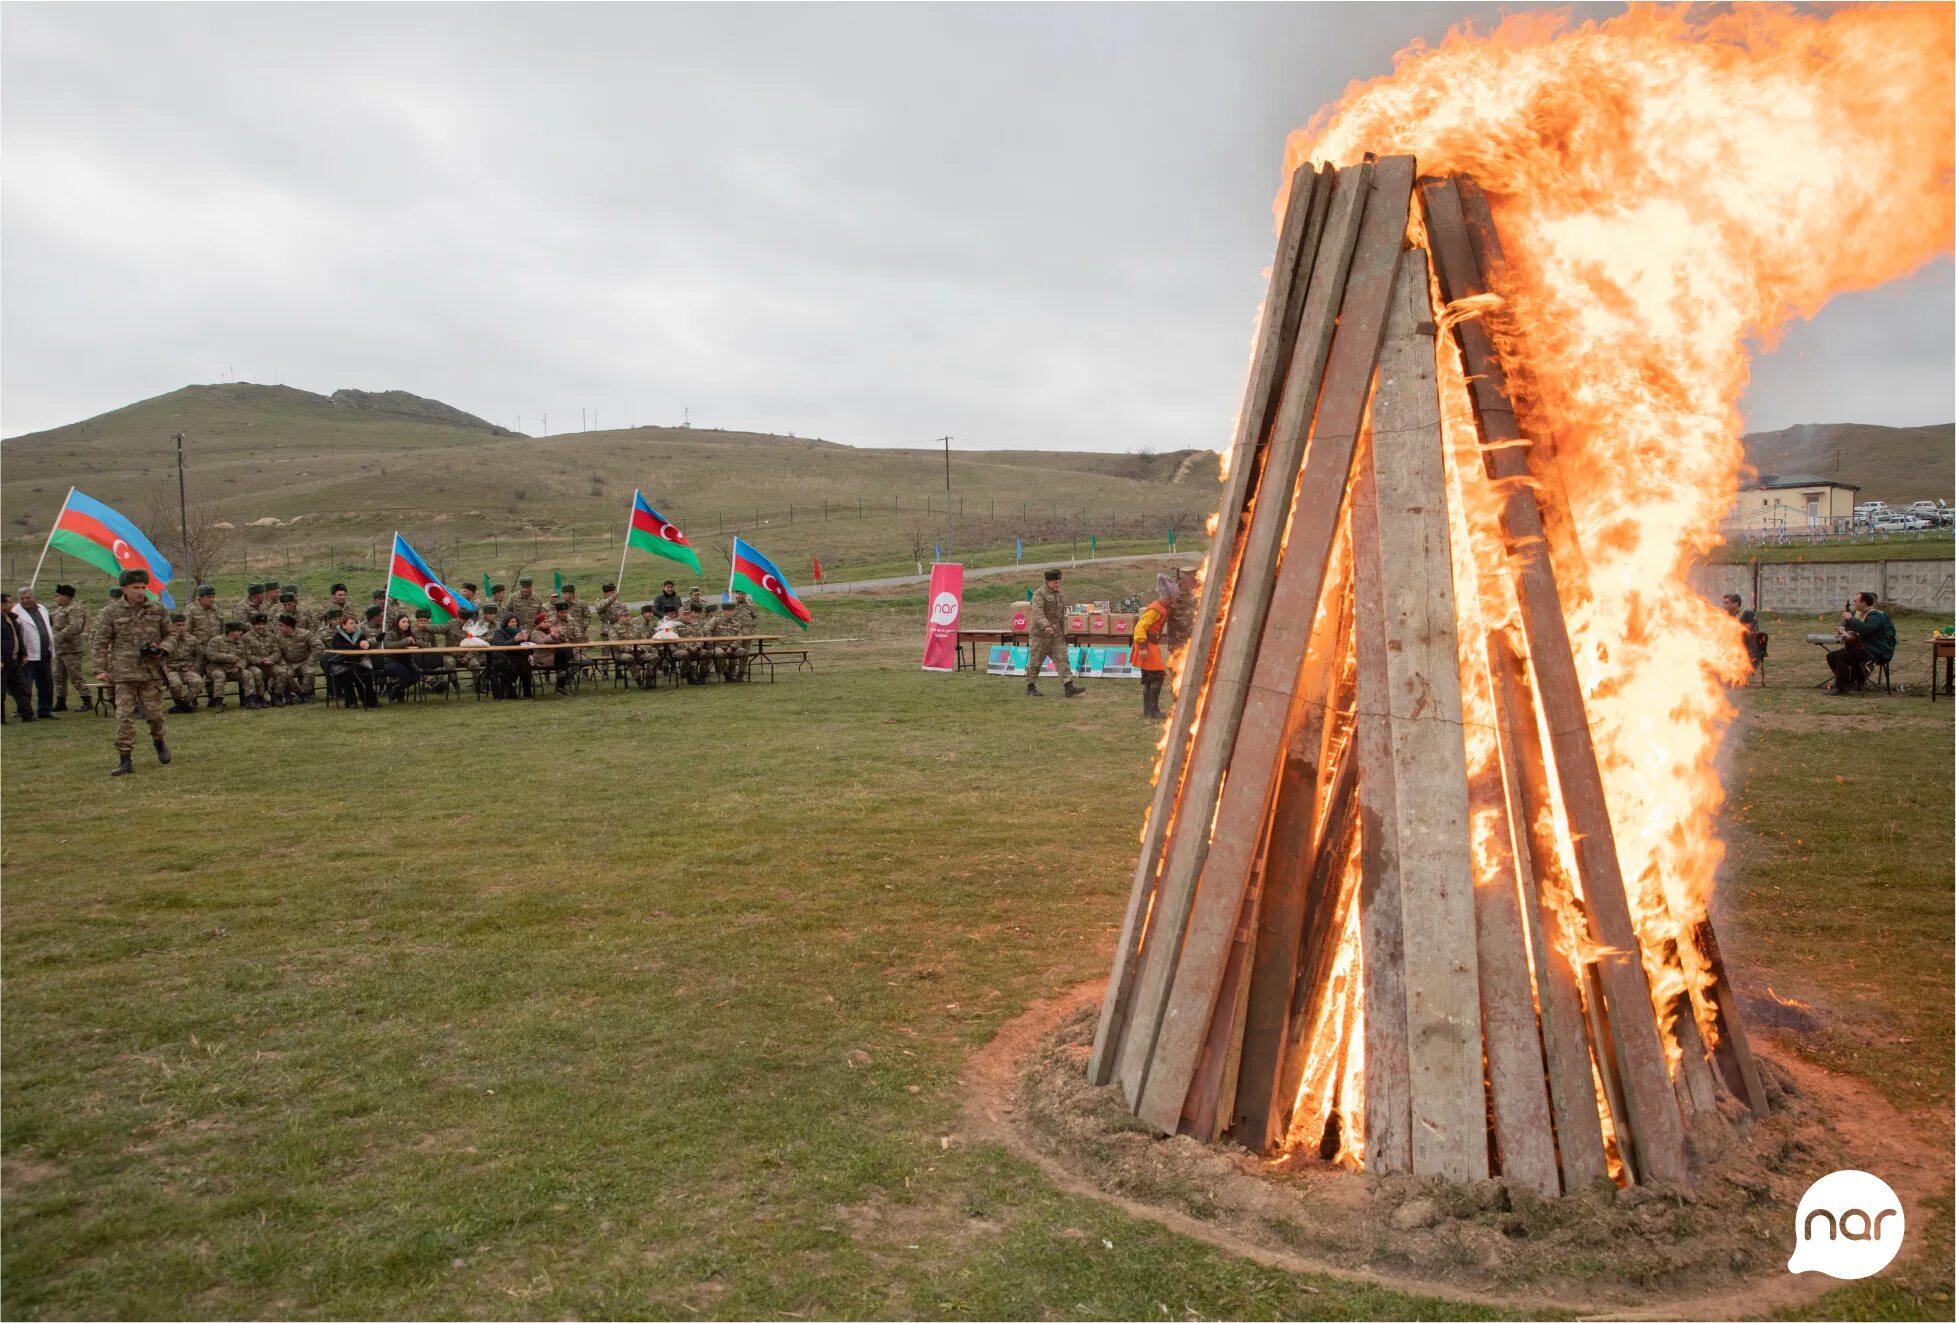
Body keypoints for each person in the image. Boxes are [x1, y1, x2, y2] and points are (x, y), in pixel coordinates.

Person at [92, 568, 172, 776]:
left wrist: (162, 649)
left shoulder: (157, 609)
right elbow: (101, 642)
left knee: (155, 715)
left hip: (150, 672)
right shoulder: (111, 612)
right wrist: (100, 669)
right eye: (135, 588)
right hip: (124, 673)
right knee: (124, 717)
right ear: (125, 589)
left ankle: (159, 741)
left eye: (143, 587)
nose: (140, 591)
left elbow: (171, 634)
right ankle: (125, 759)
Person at [1025, 568, 1084, 698]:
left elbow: (1061, 615)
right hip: (1040, 635)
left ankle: (1068, 686)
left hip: (1056, 635)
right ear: (1048, 582)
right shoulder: (1039, 594)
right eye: (1055, 582)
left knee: (1062, 659)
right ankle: (1030, 686)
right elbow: (1037, 612)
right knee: (1035, 662)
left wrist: (1064, 631)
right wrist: (1045, 625)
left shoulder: (1059, 594)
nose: (1058, 585)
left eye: (1059, 582)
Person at [1829, 591, 1896, 694]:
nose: (1854, 603)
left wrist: (1851, 619)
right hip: (1864, 647)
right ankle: (1850, 682)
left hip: (1875, 650)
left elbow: (1866, 629)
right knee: (1831, 656)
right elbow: (1858, 631)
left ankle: (1840, 688)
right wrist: (1844, 631)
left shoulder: (1875, 615)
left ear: (1863, 603)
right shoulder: (1862, 614)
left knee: (1841, 656)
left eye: (1856, 601)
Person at [12, 585, 57, 719]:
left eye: (28, 597)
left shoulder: (42, 608)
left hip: (44, 653)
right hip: (28, 655)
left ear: (33, 597)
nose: (25, 600)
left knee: (46, 684)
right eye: (22, 598)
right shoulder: (16, 612)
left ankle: (45, 710)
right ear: (18, 599)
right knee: (25, 685)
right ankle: (25, 711)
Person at [1133, 582, 1176, 719]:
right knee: (1156, 676)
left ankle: (1148, 711)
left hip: (1147, 644)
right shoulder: (1156, 609)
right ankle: (1153, 710)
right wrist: (1143, 647)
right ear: (1167, 597)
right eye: (1172, 598)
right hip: (1147, 645)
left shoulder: (1161, 607)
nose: (1174, 600)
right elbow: (1140, 627)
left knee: (1147, 678)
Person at [323, 611, 378, 709]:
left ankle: (371, 701)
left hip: (356, 663)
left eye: (355, 623)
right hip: (340, 664)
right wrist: (359, 646)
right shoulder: (337, 637)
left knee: (365, 673)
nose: (354, 625)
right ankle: (351, 703)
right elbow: (343, 647)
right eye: (351, 623)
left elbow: (364, 646)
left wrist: (367, 644)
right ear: (344, 626)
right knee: (347, 674)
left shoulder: (360, 635)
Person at [50, 583, 89, 712]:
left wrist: (59, 637)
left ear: (66, 597)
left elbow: (75, 626)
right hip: (59, 649)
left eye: (58, 596)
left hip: (71, 648)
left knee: (75, 675)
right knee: (58, 675)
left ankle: (86, 699)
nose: (55, 598)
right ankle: (61, 701)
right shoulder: (59, 609)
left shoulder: (75, 609)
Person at [201, 621, 255, 710]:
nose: (241, 633)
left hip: (233, 669)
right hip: (216, 668)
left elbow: (244, 658)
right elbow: (210, 655)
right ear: (231, 631)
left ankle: (250, 700)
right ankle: (218, 702)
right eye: (238, 630)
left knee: (247, 673)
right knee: (219, 675)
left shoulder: (241, 642)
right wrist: (229, 657)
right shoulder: (216, 640)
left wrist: (239, 667)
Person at [160, 613, 205, 713]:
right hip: (170, 669)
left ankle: (185, 703)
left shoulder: (191, 639)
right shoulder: (163, 639)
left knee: (198, 682)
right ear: (171, 626)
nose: (181, 628)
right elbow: (158, 656)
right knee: (176, 684)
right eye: (178, 625)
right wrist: (164, 668)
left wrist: (195, 667)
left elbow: (200, 655)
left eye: (183, 625)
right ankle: (179, 703)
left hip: (186, 669)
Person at [488, 612, 532, 699]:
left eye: (515, 622)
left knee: (526, 666)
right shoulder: (500, 632)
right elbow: (500, 646)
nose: (514, 624)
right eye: (511, 622)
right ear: (506, 623)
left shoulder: (521, 632)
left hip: (519, 658)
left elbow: (529, 647)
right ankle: (510, 692)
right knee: (516, 664)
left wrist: (526, 641)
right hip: (503, 659)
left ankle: (527, 693)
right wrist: (514, 640)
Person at [275, 614, 318, 703]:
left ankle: (307, 694)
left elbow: (319, 646)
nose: (279, 628)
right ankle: (299, 693)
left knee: (310, 672)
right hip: (289, 663)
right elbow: (278, 654)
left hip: (304, 662)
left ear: (288, 626)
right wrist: (283, 664)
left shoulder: (305, 634)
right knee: (285, 674)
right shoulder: (278, 637)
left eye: (281, 625)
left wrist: (310, 661)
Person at [242, 612, 281, 708]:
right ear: (253, 625)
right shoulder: (246, 638)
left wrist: (270, 659)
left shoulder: (271, 636)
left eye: (264, 624)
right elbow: (247, 656)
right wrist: (261, 660)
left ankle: (277, 696)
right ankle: (259, 698)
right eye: (258, 624)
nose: (261, 627)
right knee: (257, 672)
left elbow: (277, 652)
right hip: (253, 665)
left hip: (269, 664)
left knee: (282, 672)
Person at [2, 592, 30, 723]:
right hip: (3, 662)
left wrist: (22, 653)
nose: (12, 604)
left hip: (14, 660)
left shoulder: (11, 617)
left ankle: (27, 715)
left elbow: (17, 637)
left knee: (21, 688)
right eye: (9, 602)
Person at [1721, 593, 1766, 676]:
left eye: (1727, 603)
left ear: (1735, 604)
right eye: (1723, 603)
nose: (1724, 605)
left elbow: (1753, 632)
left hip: (1746, 647)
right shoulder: (1724, 615)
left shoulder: (1747, 614)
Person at [380, 613, 422, 701]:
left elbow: (422, 643)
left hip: (407, 660)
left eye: (407, 622)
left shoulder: (411, 633)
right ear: (397, 623)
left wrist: (415, 642)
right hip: (391, 660)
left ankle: (397, 688)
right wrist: (405, 641)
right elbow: (388, 645)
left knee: (417, 674)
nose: (406, 624)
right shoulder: (391, 633)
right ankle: (396, 689)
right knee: (405, 674)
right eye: (403, 621)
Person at [1162, 568, 1199, 651]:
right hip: (1178, 645)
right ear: (1183, 583)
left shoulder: (1200, 592)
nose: (1196, 584)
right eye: (1193, 582)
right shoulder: (1171, 595)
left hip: (1196, 643)